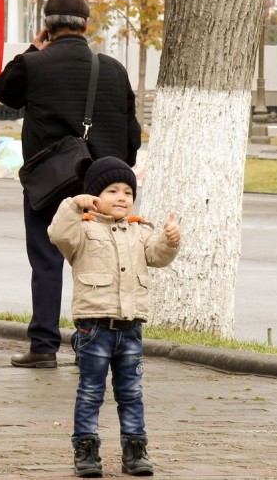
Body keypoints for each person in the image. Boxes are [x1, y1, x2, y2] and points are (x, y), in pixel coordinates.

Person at [0, 0, 141, 369]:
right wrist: (119, 183)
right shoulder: (113, 69)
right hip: (101, 183)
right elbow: (132, 133)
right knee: (97, 262)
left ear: (47, 25)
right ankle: (93, 346)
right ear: (87, 26)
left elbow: (3, 91)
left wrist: (32, 48)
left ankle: (43, 346)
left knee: (46, 261)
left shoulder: (34, 64)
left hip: (50, 184)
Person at [47, 157, 180, 477]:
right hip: (94, 328)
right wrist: (73, 205)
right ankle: (86, 449)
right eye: (111, 191)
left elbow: (156, 257)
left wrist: (169, 240)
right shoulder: (82, 229)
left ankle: (135, 450)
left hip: (131, 329)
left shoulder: (139, 229)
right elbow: (57, 234)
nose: (121, 198)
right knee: (91, 391)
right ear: (95, 195)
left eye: (127, 192)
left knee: (131, 392)